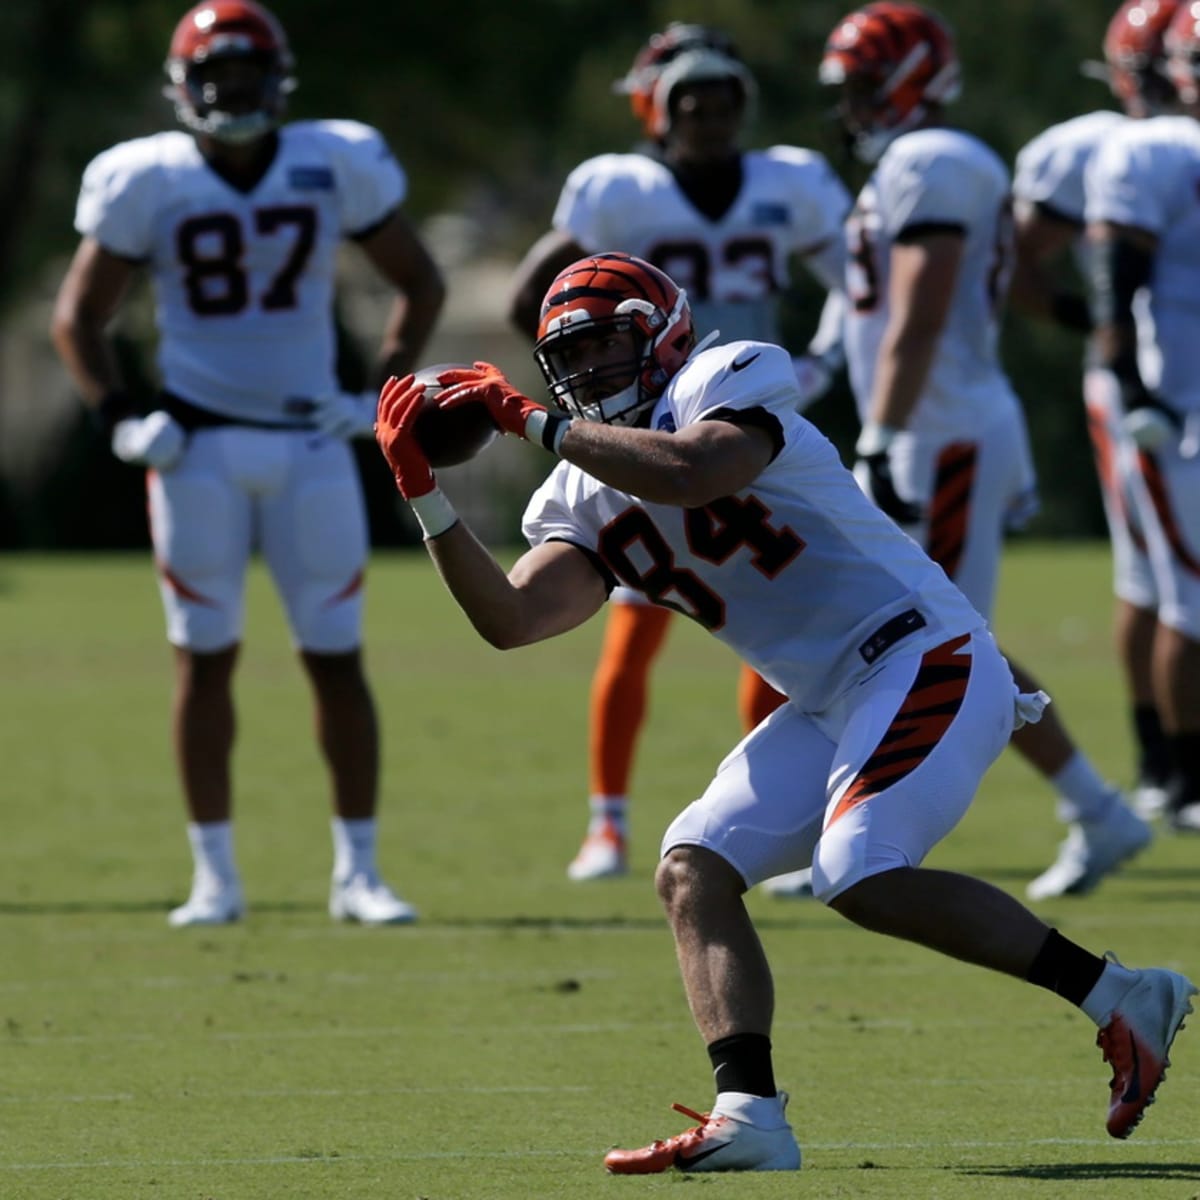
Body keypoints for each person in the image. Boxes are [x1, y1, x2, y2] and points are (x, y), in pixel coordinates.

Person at [373, 250, 1194, 1171]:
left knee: (856, 868)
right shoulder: (576, 491)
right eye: (574, 357)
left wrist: (530, 419)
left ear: (665, 337)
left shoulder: (726, 377)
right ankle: (750, 1114)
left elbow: (696, 471)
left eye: (609, 344)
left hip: (927, 653)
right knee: (693, 868)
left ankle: (1118, 993)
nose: (591, 372)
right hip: (831, 696)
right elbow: (514, 619)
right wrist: (425, 496)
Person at [50, 0, 445, 926]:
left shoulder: (331, 159)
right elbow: (79, 317)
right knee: (203, 659)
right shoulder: (145, 178)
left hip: (312, 440)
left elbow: (420, 280)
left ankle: (359, 872)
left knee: (337, 658)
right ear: (185, 88)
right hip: (197, 448)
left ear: (279, 79)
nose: (232, 91)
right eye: (214, 74)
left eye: (246, 72)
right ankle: (215, 877)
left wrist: (377, 397)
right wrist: (120, 416)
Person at [818, 1, 1152, 901]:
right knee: (906, 635)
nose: (849, 103)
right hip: (934, 425)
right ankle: (1094, 808)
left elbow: (920, 315)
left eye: (860, 84)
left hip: (942, 430)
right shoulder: (911, 162)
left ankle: (1095, 808)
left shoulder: (934, 161)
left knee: (951, 642)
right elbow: (872, 305)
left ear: (906, 79)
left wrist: (882, 437)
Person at [507, 22, 851, 886]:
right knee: (630, 628)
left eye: (722, 100)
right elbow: (535, 298)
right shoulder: (618, 188)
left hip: (741, 421)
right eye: (688, 103)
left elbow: (863, 280)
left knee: (774, 617)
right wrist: (590, 397)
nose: (707, 118)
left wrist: (827, 358)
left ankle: (772, 817)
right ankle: (608, 823)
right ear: (656, 111)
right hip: (651, 424)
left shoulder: (791, 181)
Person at [1011, 0, 1179, 834]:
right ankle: (1165, 760)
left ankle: (1165, 760)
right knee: (1157, 573)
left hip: (1160, 379)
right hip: (1144, 388)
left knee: (1156, 573)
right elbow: (1014, 261)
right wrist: (1102, 330)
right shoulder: (1102, 147)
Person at [1083, 0, 1200, 833]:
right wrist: (1127, 380)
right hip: (1178, 406)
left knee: (1158, 585)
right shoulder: (1153, 148)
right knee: (1186, 595)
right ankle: (1184, 776)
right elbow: (1112, 264)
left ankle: (1167, 768)